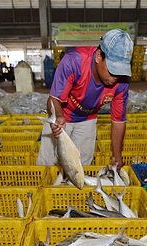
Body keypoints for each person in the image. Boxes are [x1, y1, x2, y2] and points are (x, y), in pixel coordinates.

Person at [38, 29, 133, 168]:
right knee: (49, 163)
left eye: (121, 71)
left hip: (87, 119)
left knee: (79, 168)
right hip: (63, 115)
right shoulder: (74, 61)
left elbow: (118, 121)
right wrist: (57, 116)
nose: (115, 77)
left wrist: (117, 155)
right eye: (113, 69)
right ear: (99, 56)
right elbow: (54, 99)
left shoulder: (122, 82)